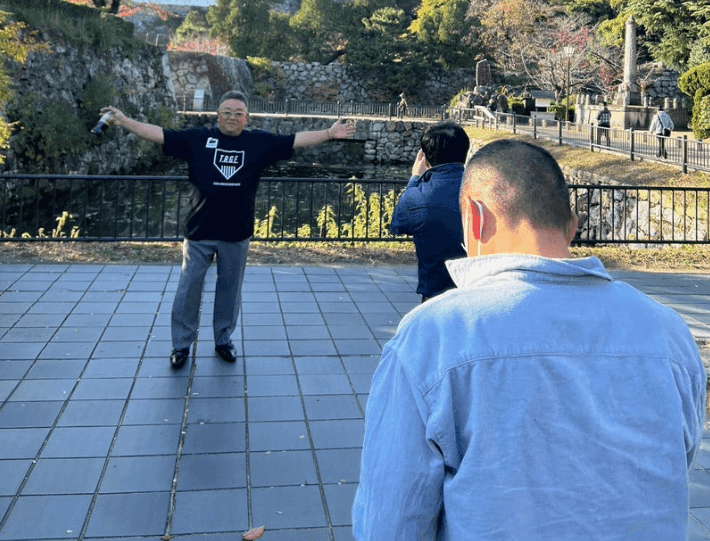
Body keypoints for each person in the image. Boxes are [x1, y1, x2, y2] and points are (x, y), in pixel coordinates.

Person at [353, 139, 705, 541]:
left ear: (473, 217)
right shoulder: (669, 333)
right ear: (571, 225)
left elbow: (390, 524)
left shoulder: (431, 337)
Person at [101, 91, 355, 369]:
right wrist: (125, 122)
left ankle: (223, 340)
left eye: (238, 113)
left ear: (246, 118)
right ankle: (181, 345)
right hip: (199, 232)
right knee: (188, 290)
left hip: (237, 233)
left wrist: (330, 133)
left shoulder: (258, 142)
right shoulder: (197, 139)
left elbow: (296, 139)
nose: (232, 117)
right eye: (227, 112)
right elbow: (159, 134)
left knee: (229, 291)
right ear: (217, 114)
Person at [389, 122, 469, 302]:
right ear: (466, 152)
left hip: (434, 294)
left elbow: (397, 226)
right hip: (475, 291)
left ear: (423, 158)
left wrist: (414, 179)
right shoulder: (484, 191)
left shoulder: (416, 196)